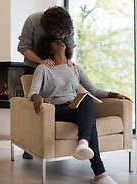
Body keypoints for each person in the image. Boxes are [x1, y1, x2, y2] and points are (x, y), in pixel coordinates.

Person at [28, 37, 131, 184]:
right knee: (90, 121)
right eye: (55, 41)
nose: (60, 41)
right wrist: (37, 97)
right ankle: (100, 173)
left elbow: (94, 90)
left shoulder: (75, 68)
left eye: (61, 39)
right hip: (55, 109)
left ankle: (83, 144)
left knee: (87, 99)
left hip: (74, 107)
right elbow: (32, 92)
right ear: (49, 49)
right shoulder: (43, 68)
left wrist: (114, 94)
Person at [18, 6, 76, 159]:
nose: (58, 35)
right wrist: (42, 62)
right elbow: (23, 47)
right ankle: (30, 145)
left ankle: (54, 140)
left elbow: (71, 47)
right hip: (33, 66)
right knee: (34, 105)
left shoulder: (67, 27)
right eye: (55, 32)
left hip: (57, 70)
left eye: (60, 33)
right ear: (47, 26)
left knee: (54, 103)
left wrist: (67, 62)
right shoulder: (33, 21)